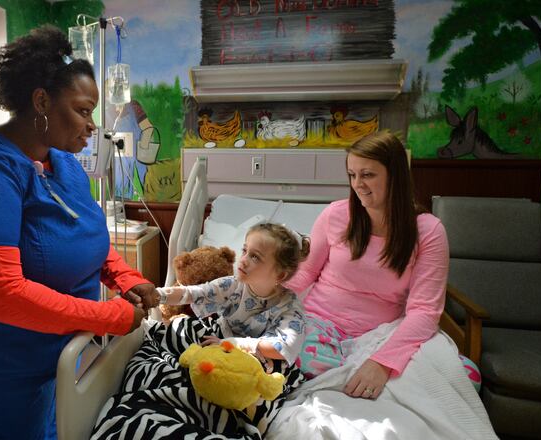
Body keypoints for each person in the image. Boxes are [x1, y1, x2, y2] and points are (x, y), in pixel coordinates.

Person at [0, 26, 158, 440]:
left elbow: (84, 238)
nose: (92, 125)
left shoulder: (62, 163)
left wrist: (125, 277)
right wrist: (109, 316)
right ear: (41, 101)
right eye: (82, 110)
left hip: (47, 348)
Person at [287, 131, 450, 400]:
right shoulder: (336, 215)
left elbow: (425, 311)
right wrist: (260, 295)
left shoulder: (428, 231)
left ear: (394, 175)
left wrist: (382, 363)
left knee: (458, 376)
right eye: (352, 175)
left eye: (368, 175)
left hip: (380, 334)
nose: (358, 184)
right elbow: (304, 272)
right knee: (296, 359)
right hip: (319, 322)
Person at [154, 223, 310, 366]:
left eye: (255, 257)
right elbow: (193, 293)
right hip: (221, 337)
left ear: (280, 275)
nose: (243, 260)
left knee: (271, 371)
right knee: (181, 325)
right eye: (245, 251)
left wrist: (232, 344)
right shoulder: (233, 284)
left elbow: (282, 347)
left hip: (254, 358)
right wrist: (156, 295)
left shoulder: (289, 307)